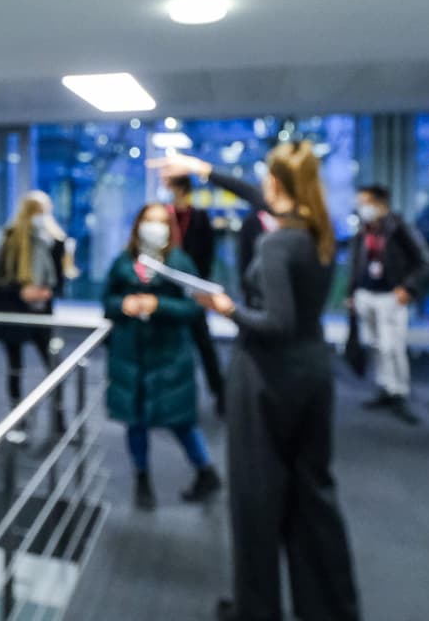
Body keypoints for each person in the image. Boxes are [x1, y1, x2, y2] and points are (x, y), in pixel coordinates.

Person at [154, 145, 361, 621]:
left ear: (277, 184)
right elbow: (255, 199)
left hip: (267, 378)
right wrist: (202, 170)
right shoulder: (316, 228)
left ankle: (256, 610)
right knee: (313, 498)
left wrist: (227, 308)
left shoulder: (275, 244)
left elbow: (274, 323)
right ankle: (329, 608)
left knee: (255, 499)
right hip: (313, 374)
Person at [103, 203, 223, 510]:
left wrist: (159, 305)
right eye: (148, 221)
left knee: (181, 422)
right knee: (135, 422)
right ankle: (141, 478)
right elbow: (108, 301)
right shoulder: (122, 262)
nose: (153, 228)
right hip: (130, 356)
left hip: (169, 356)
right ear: (137, 225)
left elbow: (195, 307)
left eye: (160, 222)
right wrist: (124, 304)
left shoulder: (179, 262)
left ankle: (205, 471)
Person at [0, 192, 71, 433]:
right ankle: (17, 421)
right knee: (15, 368)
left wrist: (47, 292)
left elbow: (60, 279)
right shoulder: (10, 239)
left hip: (43, 314)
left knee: (53, 366)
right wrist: (21, 292)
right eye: (35, 210)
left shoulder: (56, 240)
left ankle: (60, 420)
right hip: (15, 314)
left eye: (43, 210)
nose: (39, 216)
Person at [347, 184, 429, 424]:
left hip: (391, 296)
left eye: (365, 202)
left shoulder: (399, 229)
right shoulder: (362, 231)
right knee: (376, 344)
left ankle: (399, 391)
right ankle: (384, 387)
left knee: (392, 346)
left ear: (380, 204)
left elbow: (425, 261)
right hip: (367, 294)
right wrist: (352, 293)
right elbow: (356, 264)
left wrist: (408, 288)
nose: (361, 207)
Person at [169, 174, 228, 416]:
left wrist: (198, 285)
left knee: (204, 343)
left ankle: (220, 394)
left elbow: (207, 253)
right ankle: (171, 397)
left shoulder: (199, 217)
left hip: (194, 289)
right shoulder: (166, 214)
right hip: (171, 288)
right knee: (171, 345)